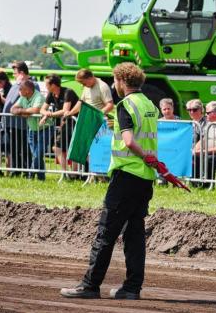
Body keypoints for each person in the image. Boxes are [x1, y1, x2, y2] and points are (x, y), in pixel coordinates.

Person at [60, 62, 159, 300]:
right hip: (145, 178)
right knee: (134, 235)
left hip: (126, 176)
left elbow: (128, 140)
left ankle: (90, 285)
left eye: (115, 80)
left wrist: (140, 152)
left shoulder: (125, 104)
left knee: (106, 233)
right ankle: (132, 288)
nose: (114, 85)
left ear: (122, 81)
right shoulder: (149, 104)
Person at [39, 74, 79, 175]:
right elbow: (42, 109)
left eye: (46, 84)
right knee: (57, 147)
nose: (45, 86)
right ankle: (65, 173)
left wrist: (50, 114)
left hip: (76, 122)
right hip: (65, 123)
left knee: (73, 147)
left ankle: (74, 174)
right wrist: (46, 114)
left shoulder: (68, 92)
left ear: (53, 85)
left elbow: (65, 110)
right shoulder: (51, 94)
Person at [11, 79, 50, 181]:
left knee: (37, 155)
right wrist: (23, 111)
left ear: (28, 90)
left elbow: (35, 110)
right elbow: (12, 109)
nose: (19, 91)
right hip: (32, 130)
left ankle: (30, 176)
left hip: (44, 129)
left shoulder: (38, 97)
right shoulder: (23, 97)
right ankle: (41, 178)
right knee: (36, 155)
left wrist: (21, 111)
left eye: (21, 89)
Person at [2, 61, 35, 176]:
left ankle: (27, 171)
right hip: (12, 123)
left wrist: (19, 84)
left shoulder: (32, 84)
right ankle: (16, 170)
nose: (14, 76)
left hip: (22, 123)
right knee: (14, 149)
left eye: (15, 73)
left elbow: (28, 101)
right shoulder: (16, 84)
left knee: (25, 150)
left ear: (21, 73)